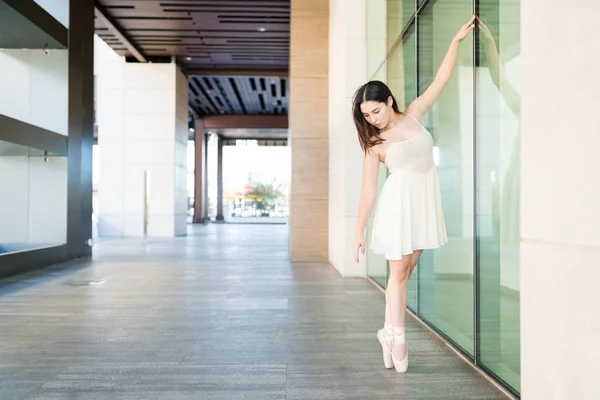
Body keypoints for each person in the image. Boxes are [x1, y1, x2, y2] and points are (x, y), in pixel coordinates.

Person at [352, 16, 476, 373]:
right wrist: (359, 228)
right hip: (397, 204)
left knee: (405, 272)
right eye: (366, 114)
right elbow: (369, 189)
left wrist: (454, 42)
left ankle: (388, 332)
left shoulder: (415, 114)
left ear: (389, 101)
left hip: (424, 200)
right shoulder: (373, 143)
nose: (372, 118)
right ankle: (398, 335)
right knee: (399, 270)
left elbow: (441, 80)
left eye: (375, 110)